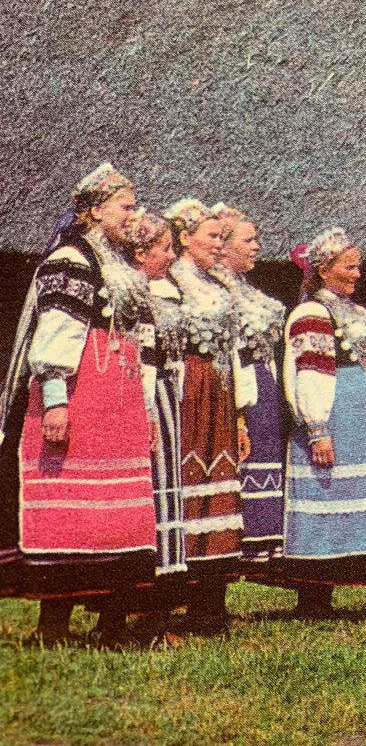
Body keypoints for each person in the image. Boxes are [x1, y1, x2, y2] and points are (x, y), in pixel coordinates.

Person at [0, 163, 155, 646]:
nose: (134, 215)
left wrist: (145, 409)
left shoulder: (122, 265)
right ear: (93, 211)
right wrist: (54, 402)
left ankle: (112, 623)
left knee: (118, 515)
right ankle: (53, 627)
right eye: (125, 207)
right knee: (70, 511)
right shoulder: (71, 258)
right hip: (82, 393)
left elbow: (137, 339)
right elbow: (57, 334)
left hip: (120, 400)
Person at [281, 227, 366, 617]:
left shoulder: (360, 314)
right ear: (325, 269)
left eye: (358, 266)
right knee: (324, 497)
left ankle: (336, 585)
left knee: (348, 499)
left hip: (362, 420)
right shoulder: (311, 313)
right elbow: (308, 375)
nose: (357, 274)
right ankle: (313, 598)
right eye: (349, 267)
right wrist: (318, 430)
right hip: (332, 415)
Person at [165, 198, 249, 635]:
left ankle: (211, 605)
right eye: (211, 237)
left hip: (218, 389)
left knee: (217, 488)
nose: (219, 245)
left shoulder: (220, 287)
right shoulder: (169, 284)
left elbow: (234, 352)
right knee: (184, 485)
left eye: (222, 237)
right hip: (186, 390)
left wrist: (240, 416)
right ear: (184, 238)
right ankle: (175, 603)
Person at [211, 204, 287, 569]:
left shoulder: (246, 289)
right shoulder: (215, 292)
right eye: (249, 240)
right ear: (224, 246)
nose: (257, 246)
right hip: (239, 382)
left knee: (265, 454)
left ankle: (265, 537)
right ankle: (242, 539)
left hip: (263, 380)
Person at [125, 211, 188, 632]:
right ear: (141, 251)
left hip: (164, 395)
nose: (171, 256)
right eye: (165, 249)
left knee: (166, 495)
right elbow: (141, 361)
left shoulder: (166, 292)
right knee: (146, 496)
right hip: (140, 397)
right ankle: (142, 606)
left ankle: (160, 606)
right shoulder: (134, 296)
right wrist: (146, 410)